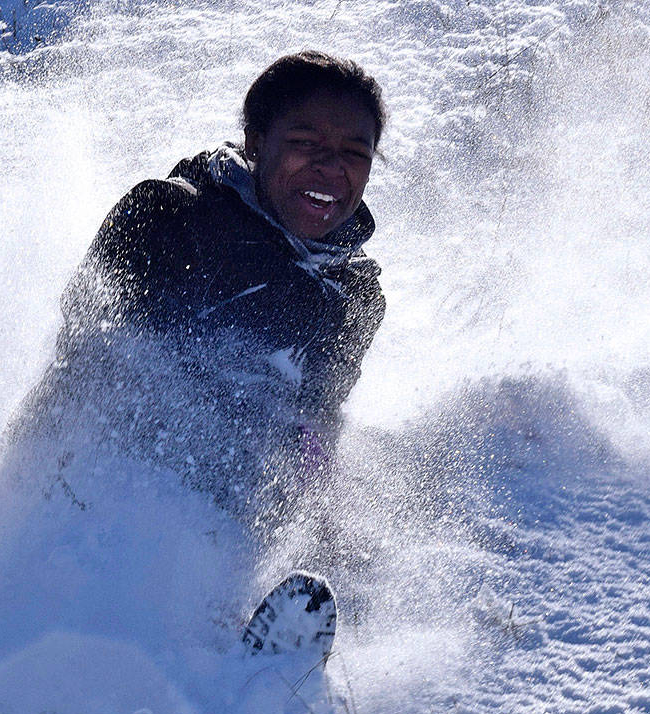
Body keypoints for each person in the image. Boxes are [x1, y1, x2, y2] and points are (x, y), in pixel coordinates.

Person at [19, 50, 388, 534]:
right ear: (256, 143)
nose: (330, 167)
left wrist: (311, 527)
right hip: (88, 494)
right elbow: (80, 360)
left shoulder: (355, 293)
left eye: (354, 154)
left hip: (234, 528)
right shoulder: (169, 216)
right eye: (305, 142)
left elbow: (316, 420)